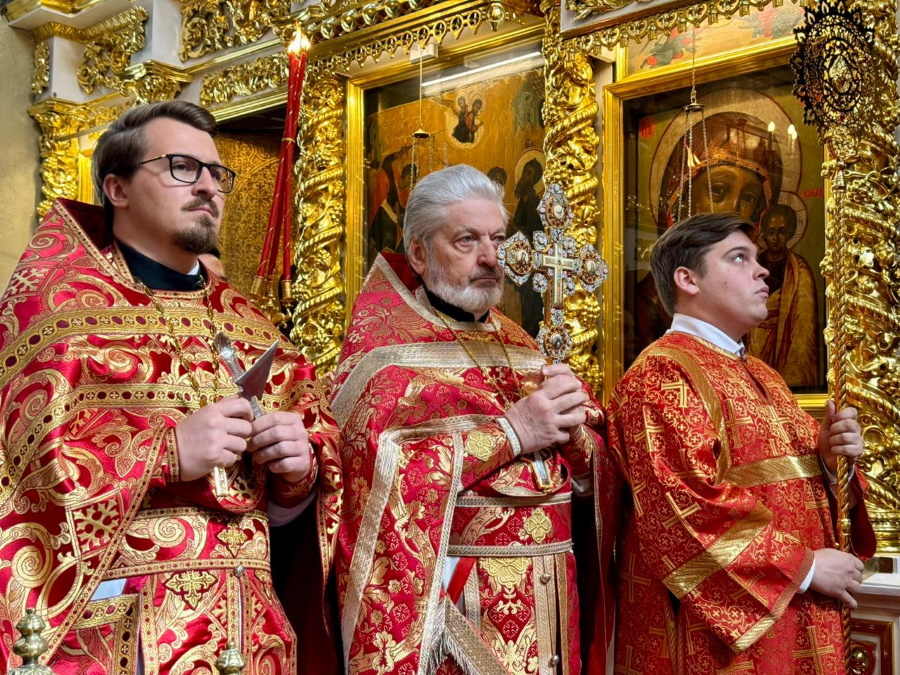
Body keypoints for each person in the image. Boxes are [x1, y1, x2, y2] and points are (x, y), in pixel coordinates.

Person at [0, 101, 340, 673]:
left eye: (217, 173)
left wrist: (297, 474)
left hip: (252, 630)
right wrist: (166, 453)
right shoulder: (56, 314)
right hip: (124, 635)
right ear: (118, 189)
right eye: (183, 167)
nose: (208, 186)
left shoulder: (254, 329)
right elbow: (20, 484)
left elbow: (296, 521)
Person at [327, 165, 616, 675]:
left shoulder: (525, 347)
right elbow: (370, 481)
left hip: (554, 603)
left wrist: (575, 438)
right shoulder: (384, 362)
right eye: (467, 240)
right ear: (419, 253)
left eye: (498, 239)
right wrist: (512, 433)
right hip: (457, 613)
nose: (490, 258)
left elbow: (593, 473)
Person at [608, 212, 875, 673]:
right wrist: (807, 567)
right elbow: (685, 510)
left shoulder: (765, 375)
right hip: (726, 643)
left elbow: (798, 492)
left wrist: (831, 466)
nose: (762, 270)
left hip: (801, 620)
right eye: (739, 258)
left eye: (755, 258)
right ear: (688, 279)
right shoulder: (662, 374)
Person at [747, 204, 820, 387]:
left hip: (784, 344)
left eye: (781, 232)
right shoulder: (751, 266)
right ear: (763, 232)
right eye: (770, 231)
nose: (775, 238)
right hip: (752, 342)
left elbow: (804, 324)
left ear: (789, 233)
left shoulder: (799, 271)